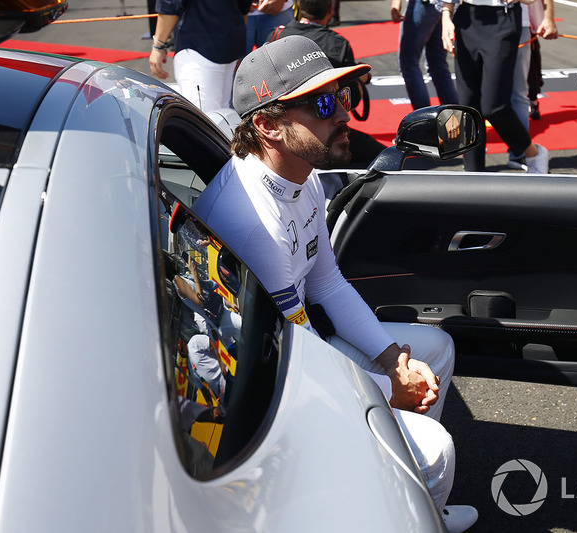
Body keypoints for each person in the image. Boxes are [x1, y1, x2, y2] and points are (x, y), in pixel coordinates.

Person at [192, 35, 478, 532]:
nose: (344, 114)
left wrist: (394, 364)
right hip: (263, 384)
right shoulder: (251, 218)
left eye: (343, 95)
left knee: (437, 349)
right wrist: (390, 392)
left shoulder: (299, 176)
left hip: (299, 340)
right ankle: (402, 506)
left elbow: (327, 283)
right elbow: (295, 350)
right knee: (436, 449)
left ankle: (399, 490)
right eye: (324, 103)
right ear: (267, 125)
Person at [270, 0, 385, 166]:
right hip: (319, 134)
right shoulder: (337, 43)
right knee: (382, 158)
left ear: (299, 7)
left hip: (286, 128)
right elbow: (350, 101)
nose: (344, 116)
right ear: (331, 11)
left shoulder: (277, 35)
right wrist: (360, 80)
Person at [440, 0, 550, 174]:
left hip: (503, 19)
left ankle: (533, 153)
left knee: (494, 107)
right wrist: (446, 16)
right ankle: (473, 174)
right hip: (466, 17)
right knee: (468, 105)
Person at [149, 0, 251, 112]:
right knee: (221, 115)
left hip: (199, 49)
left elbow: (169, 5)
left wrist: (158, 45)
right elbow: (244, 8)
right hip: (223, 45)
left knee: (206, 119)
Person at [508, 0, 557, 170]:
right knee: (483, 97)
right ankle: (474, 158)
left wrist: (548, 18)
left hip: (518, 21)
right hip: (474, 19)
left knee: (518, 93)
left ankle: (519, 153)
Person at [391, 0, 459, 111]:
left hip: (427, 5)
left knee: (409, 64)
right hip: (444, 6)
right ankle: (455, 116)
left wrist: (396, 3)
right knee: (437, 65)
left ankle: (424, 120)